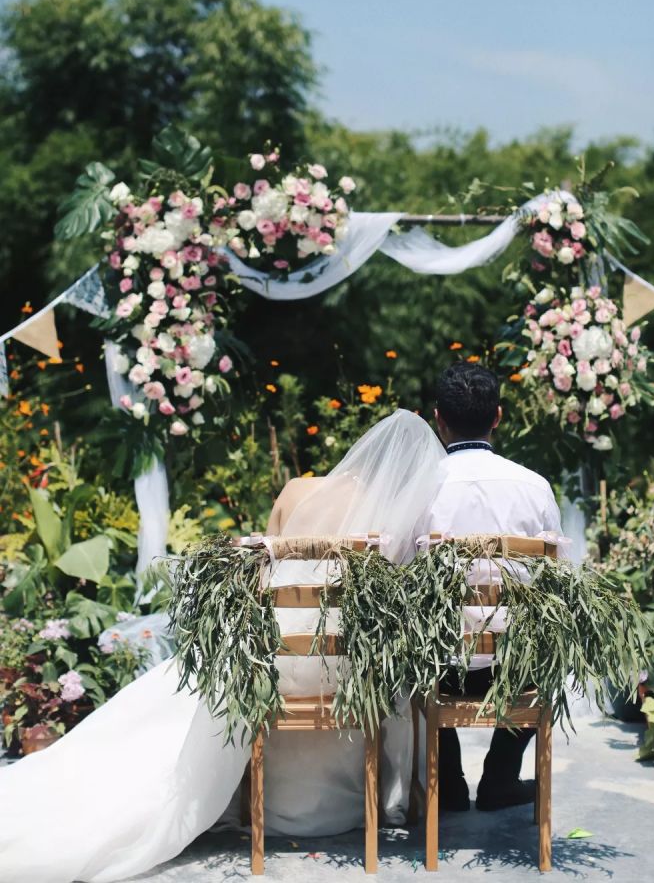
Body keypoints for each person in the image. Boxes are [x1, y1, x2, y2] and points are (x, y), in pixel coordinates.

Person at [0, 409, 445, 883]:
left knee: (173, 693)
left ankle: (233, 795)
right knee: (396, 684)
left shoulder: (297, 489)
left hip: (274, 659)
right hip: (340, 673)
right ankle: (385, 798)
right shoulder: (391, 518)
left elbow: (259, 571)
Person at [420, 361, 564, 814]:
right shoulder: (535, 486)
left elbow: (399, 578)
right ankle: (501, 777)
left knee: (408, 643)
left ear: (437, 417)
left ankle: (450, 781)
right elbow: (559, 579)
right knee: (552, 645)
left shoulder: (419, 488)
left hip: (441, 666)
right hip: (517, 668)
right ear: (498, 416)